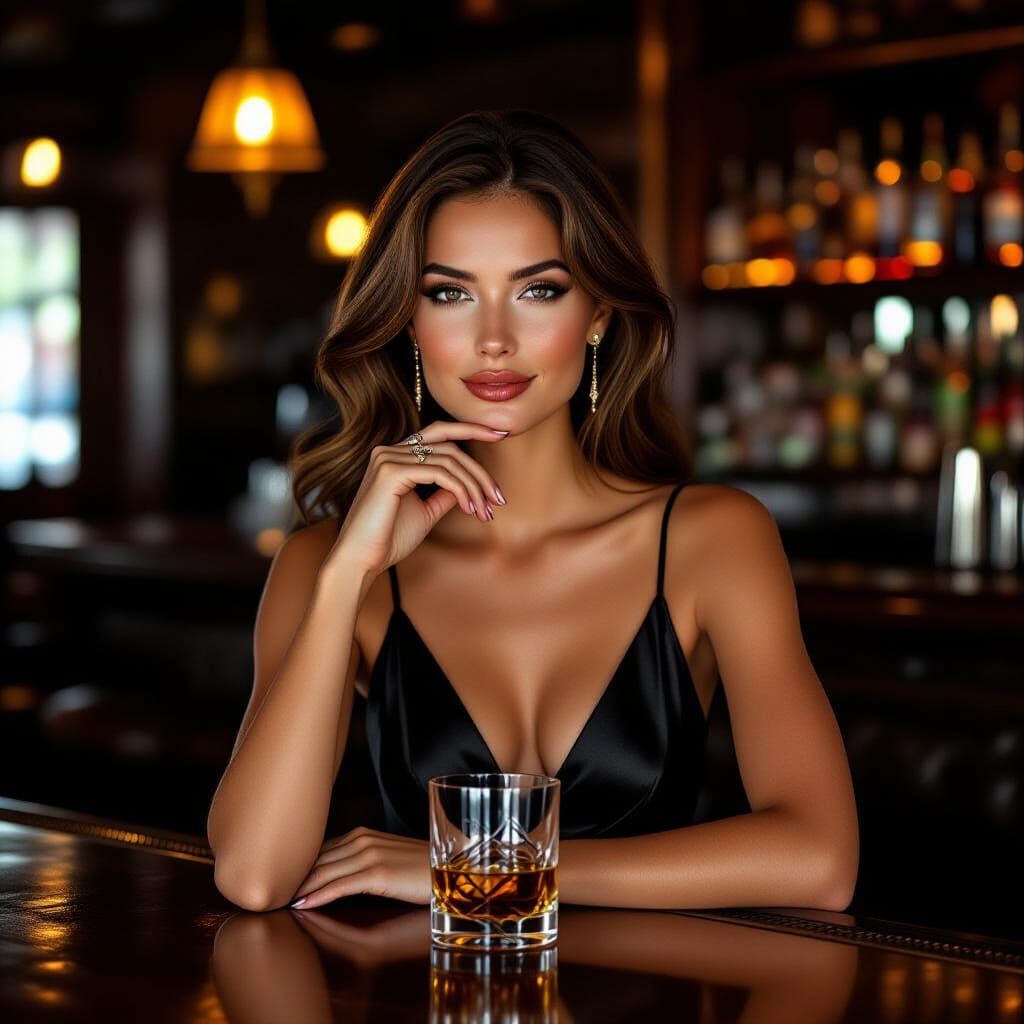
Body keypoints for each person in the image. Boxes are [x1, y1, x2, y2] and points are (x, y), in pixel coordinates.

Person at [207, 108, 859, 915]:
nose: (492, 340)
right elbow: (254, 874)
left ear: (598, 316)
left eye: (538, 290)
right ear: (407, 322)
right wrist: (348, 574)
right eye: (450, 293)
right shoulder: (324, 565)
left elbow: (821, 860)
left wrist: (482, 874)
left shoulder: (712, 538)